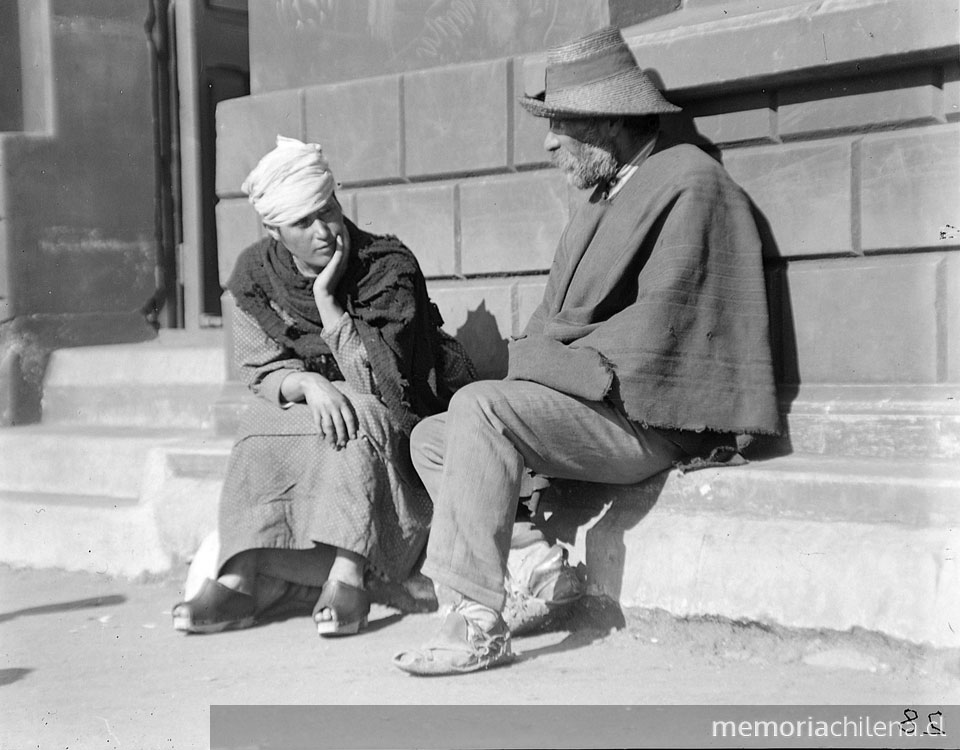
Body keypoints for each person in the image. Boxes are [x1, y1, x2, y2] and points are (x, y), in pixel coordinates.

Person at [393, 26, 781, 675]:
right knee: (431, 437)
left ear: (608, 123)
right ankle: (544, 573)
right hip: (592, 406)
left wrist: (532, 363)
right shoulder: (609, 199)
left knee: (484, 407)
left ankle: (472, 620)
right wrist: (537, 361)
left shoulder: (691, 185)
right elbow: (560, 331)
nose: (549, 141)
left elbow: (664, 336)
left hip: (654, 420)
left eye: (562, 123)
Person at [172, 137, 477, 637]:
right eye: (302, 223)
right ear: (273, 230)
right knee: (259, 423)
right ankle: (239, 578)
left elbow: (385, 388)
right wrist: (307, 381)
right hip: (318, 405)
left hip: (401, 421)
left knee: (356, 414)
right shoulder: (256, 275)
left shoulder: (386, 268)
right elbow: (259, 369)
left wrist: (329, 305)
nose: (323, 231)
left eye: (328, 210)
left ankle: (348, 575)